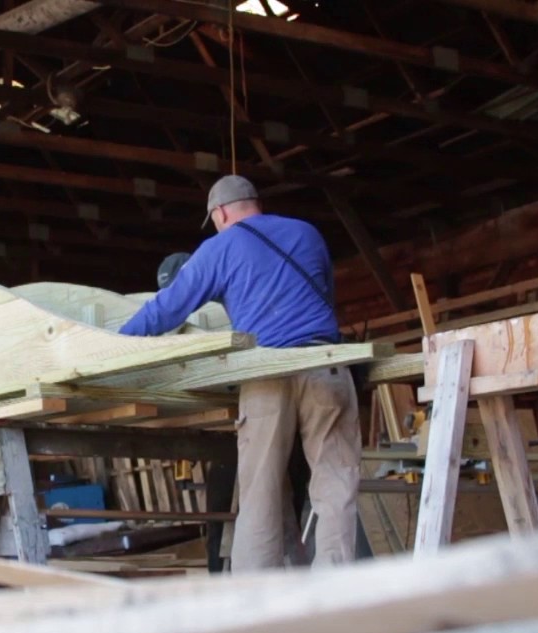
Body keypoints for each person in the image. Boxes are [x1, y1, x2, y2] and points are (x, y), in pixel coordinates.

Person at [120, 175, 361, 571]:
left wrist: (115, 344)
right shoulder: (307, 233)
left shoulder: (219, 247)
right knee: (336, 485)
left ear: (220, 213)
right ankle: (336, 592)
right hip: (325, 364)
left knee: (260, 494)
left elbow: (167, 308)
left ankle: (257, 599)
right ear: (255, 203)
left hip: (267, 374)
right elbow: (325, 300)